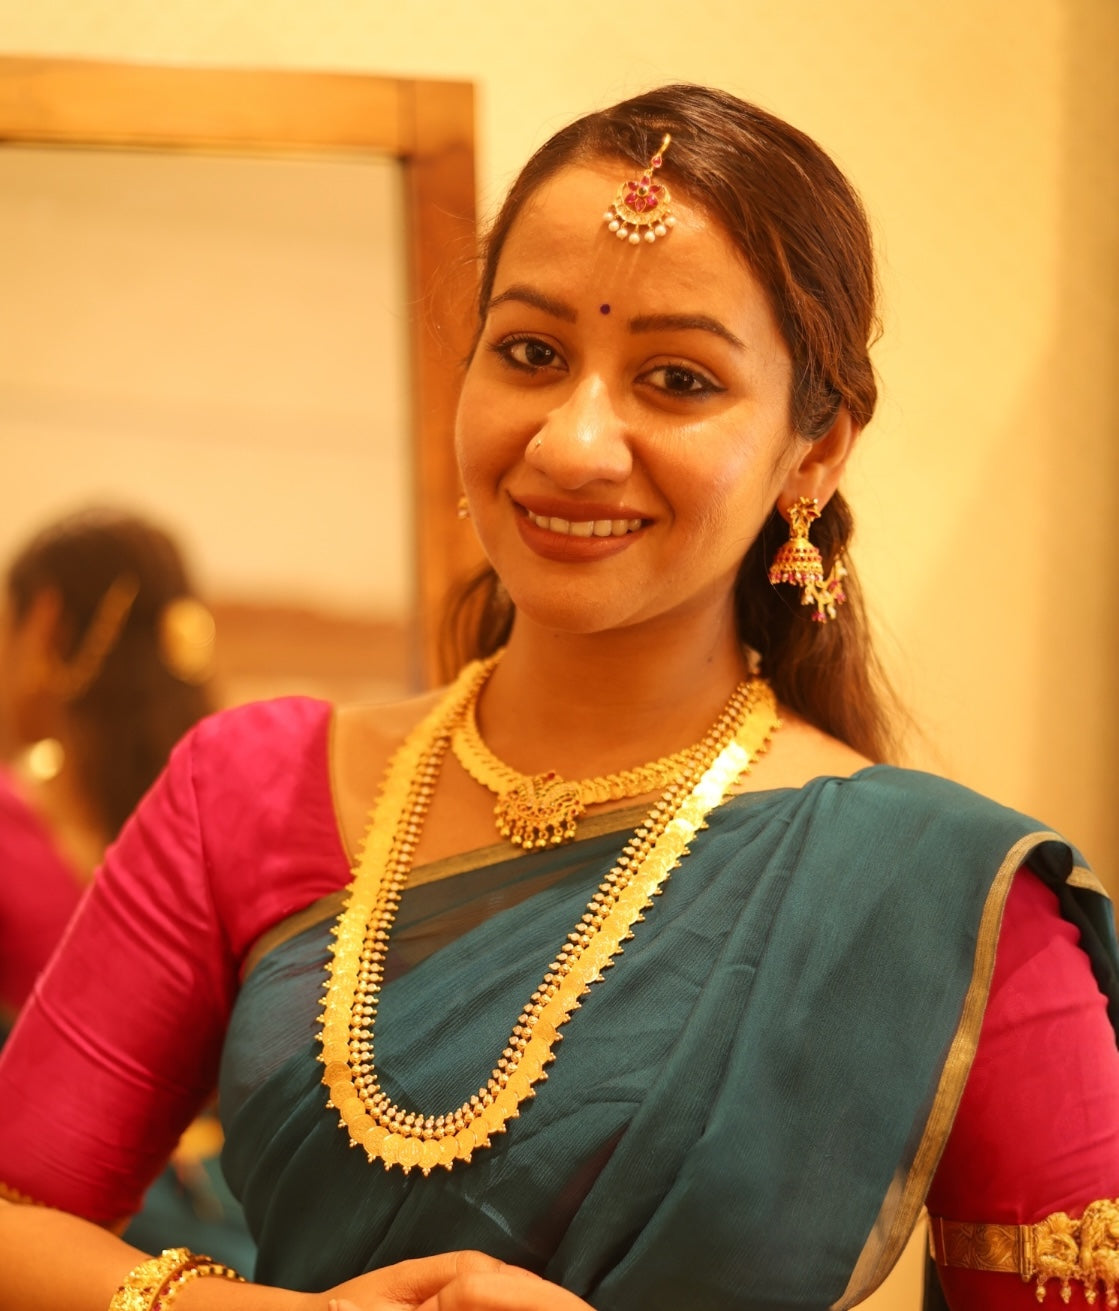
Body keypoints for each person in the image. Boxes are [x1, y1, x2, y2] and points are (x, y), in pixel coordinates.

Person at [0, 84, 1116, 1311]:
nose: (573, 444)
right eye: (531, 353)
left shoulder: (948, 905)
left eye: (678, 379)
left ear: (816, 450)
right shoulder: (248, 792)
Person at [0, 507, 254, 1270]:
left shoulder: (11, 824)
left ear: (44, 622)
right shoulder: (236, 814)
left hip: (53, 1240)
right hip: (249, 1216)